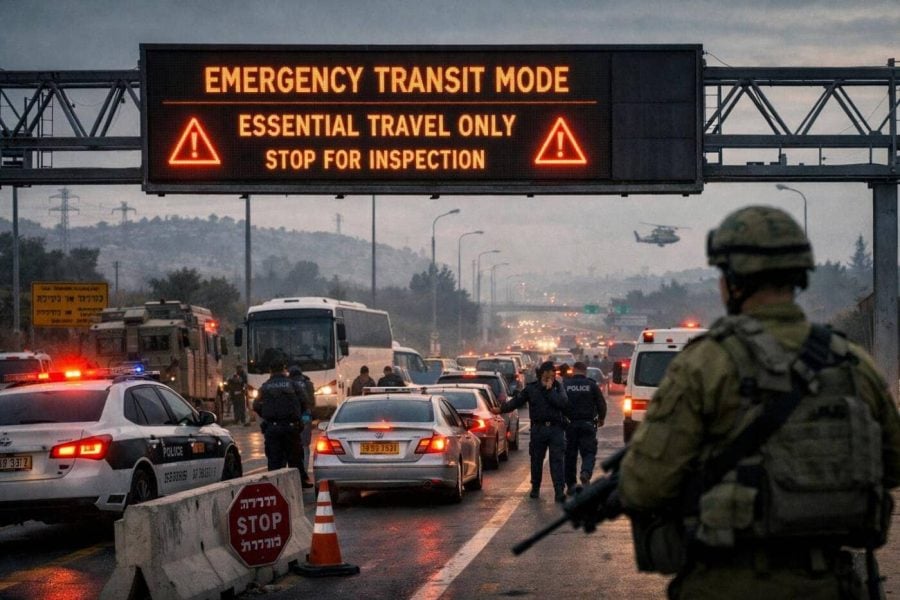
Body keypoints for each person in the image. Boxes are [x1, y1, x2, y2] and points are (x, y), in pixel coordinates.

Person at [618, 205, 900, 599]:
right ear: (797, 274)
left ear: (734, 279)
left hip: (727, 585)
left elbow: (644, 485)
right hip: (829, 585)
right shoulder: (852, 363)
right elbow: (892, 464)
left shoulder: (705, 364)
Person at [496, 361, 569, 502]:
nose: (551, 377)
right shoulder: (532, 389)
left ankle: (559, 490)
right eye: (548, 374)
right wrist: (500, 409)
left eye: (552, 374)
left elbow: (563, 403)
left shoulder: (558, 388)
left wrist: (549, 391)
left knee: (557, 461)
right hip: (538, 429)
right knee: (536, 460)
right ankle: (535, 487)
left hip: (556, 429)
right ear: (542, 374)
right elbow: (516, 402)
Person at [252, 360, 314, 488]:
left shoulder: (265, 386)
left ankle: (275, 487)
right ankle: (299, 483)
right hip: (291, 427)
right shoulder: (293, 384)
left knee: (274, 460)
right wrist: (297, 416)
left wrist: (266, 415)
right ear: (284, 370)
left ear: (270, 371)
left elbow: (256, 405)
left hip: (272, 428)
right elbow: (305, 401)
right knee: (295, 459)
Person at [562, 361, 606, 496]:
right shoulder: (591, 385)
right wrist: (601, 418)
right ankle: (585, 472)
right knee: (588, 452)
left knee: (570, 456)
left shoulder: (565, 385)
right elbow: (601, 404)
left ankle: (570, 485)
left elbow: (560, 403)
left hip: (570, 425)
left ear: (573, 370)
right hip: (587, 424)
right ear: (585, 371)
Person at [288, 364, 315, 479]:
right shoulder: (308, 383)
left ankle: (294, 472)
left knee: (293, 444)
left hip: (292, 417)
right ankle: (304, 470)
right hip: (305, 416)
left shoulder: (288, 384)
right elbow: (312, 402)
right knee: (305, 444)